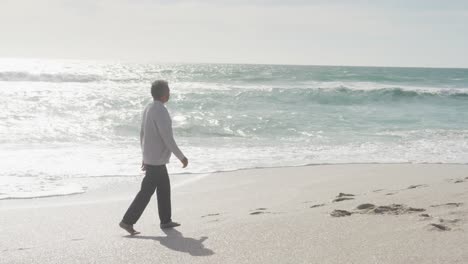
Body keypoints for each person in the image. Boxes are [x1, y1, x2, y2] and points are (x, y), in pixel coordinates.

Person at [119, 80, 188, 235]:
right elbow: (167, 138)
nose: (169, 94)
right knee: (146, 192)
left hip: (153, 158)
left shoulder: (148, 108)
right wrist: (181, 157)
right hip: (156, 160)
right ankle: (127, 221)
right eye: (168, 91)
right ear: (164, 94)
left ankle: (165, 220)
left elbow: (142, 133)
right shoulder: (160, 111)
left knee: (164, 188)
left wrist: (144, 156)